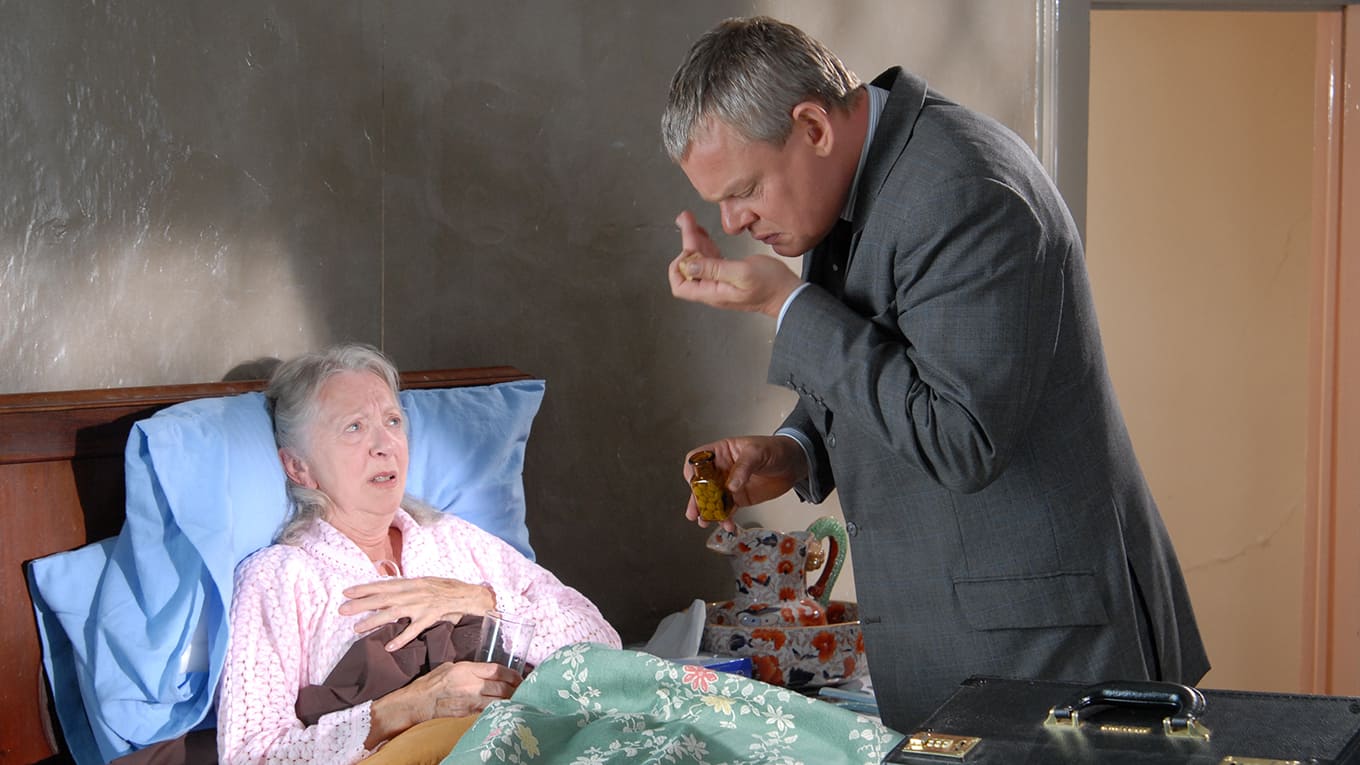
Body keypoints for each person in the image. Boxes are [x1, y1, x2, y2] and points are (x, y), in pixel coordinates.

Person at [661, 16, 1209, 731]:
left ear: (813, 127)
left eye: (744, 190)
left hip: (1048, 656)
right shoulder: (858, 185)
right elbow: (899, 359)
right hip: (968, 651)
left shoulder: (966, 189)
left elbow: (962, 436)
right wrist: (795, 450)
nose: (733, 221)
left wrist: (784, 303)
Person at [216, 343, 621, 763]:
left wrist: (480, 600)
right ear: (298, 467)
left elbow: (602, 645)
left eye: (393, 421)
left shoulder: (455, 540)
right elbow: (251, 755)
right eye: (354, 427)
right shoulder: (280, 577)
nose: (384, 444)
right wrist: (409, 707)